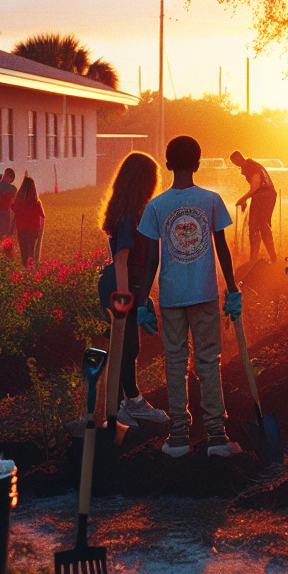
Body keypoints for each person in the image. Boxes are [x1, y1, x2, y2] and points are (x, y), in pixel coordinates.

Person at [141, 136, 243, 458]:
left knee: (175, 362)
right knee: (208, 361)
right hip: (205, 294)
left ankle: (179, 438)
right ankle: (216, 437)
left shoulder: (156, 206)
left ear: (168, 165)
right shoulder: (211, 200)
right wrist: (233, 287)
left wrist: (144, 298)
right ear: (198, 164)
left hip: (171, 296)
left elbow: (152, 259)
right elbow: (221, 248)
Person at [101, 152, 169, 428]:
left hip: (128, 287)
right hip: (120, 286)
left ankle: (123, 404)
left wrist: (143, 297)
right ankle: (127, 405)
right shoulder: (129, 217)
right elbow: (121, 260)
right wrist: (124, 298)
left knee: (128, 347)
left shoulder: (130, 212)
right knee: (125, 347)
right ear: (143, 181)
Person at [230, 150, 278, 263]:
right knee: (261, 226)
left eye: (234, 161)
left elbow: (255, 186)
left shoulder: (251, 167)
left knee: (257, 227)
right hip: (266, 195)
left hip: (264, 196)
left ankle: (255, 259)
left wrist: (243, 199)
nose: (234, 164)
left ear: (238, 158)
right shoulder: (251, 165)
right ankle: (268, 258)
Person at [12, 175, 45, 267]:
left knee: (23, 250)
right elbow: (43, 215)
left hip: (21, 229)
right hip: (33, 229)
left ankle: (24, 268)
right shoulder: (36, 202)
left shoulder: (18, 203)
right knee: (31, 250)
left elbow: (13, 208)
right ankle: (30, 268)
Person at [0, 168, 17, 241]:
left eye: (9, 176)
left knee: (6, 229)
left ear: (11, 179)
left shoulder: (12, 188)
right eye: (5, 175)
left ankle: (6, 244)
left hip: (7, 211)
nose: (6, 177)